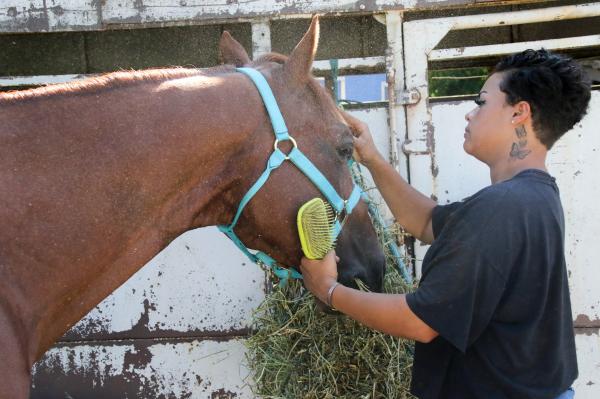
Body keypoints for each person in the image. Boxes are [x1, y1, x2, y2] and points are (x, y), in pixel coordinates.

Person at [299, 49, 591, 399]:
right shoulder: (534, 198)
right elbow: (423, 221)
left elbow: (420, 322)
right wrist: (373, 159)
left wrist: (327, 289)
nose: (470, 113)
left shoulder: (503, 208)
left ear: (519, 112)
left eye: (481, 103)